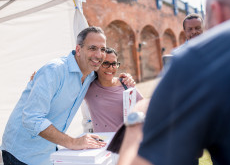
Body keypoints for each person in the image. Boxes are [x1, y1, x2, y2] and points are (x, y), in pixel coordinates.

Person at [118, 0, 230, 164]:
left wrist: (136, 117)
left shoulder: (195, 57)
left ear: (216, 11)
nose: (195, 32)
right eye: (190, 29)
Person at [0, 26, 132, 165]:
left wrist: (125, 79)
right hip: (21, 153)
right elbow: (32, 118)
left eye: (102, 49)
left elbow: (107, 76)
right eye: (92, 48)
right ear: (79, 50)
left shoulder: (91, 74)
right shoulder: (53, 71)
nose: (99, 55)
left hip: (49, 152)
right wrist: (73, 142)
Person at [82, 47, 143, 133]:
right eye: (105, 63)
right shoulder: (88, 88)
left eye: (114, 64)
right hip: (104, 144)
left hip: (127, 141)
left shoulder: (126, 84)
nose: (111, 68)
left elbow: (145, 107)